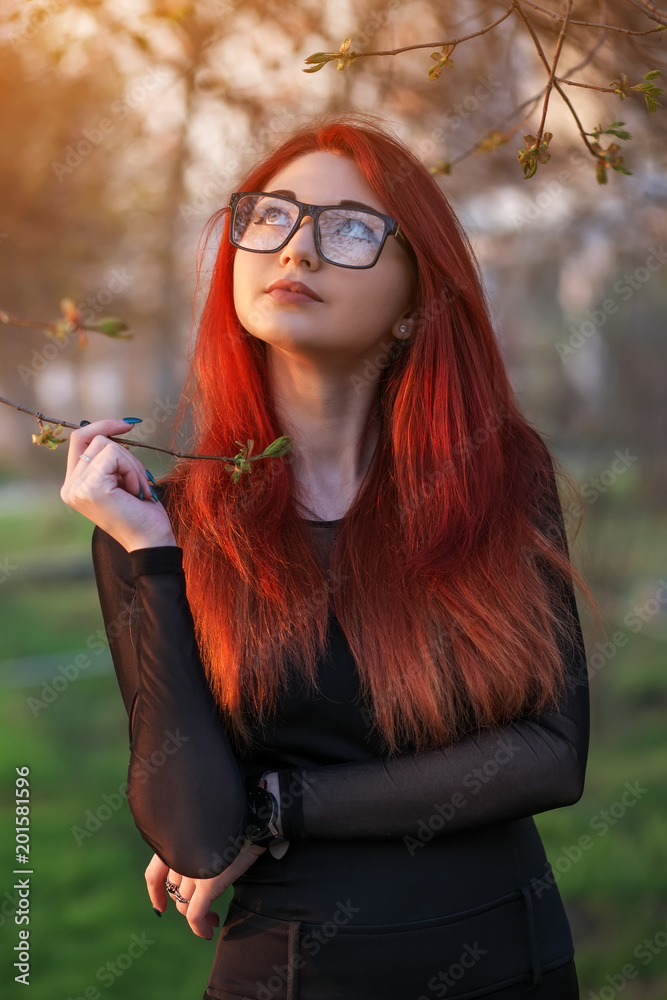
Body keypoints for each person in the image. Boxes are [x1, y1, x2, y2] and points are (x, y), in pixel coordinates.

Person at [60, 111, 597, 1000]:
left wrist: (275, 808)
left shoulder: (495, 475)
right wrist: (153, 559)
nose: (295, 250)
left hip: (512, 965)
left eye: (348, 228)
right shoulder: (155, 525)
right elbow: (195, 836)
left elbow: (550, 755)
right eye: (269, 217)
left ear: (415, 301)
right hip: (289, 977)